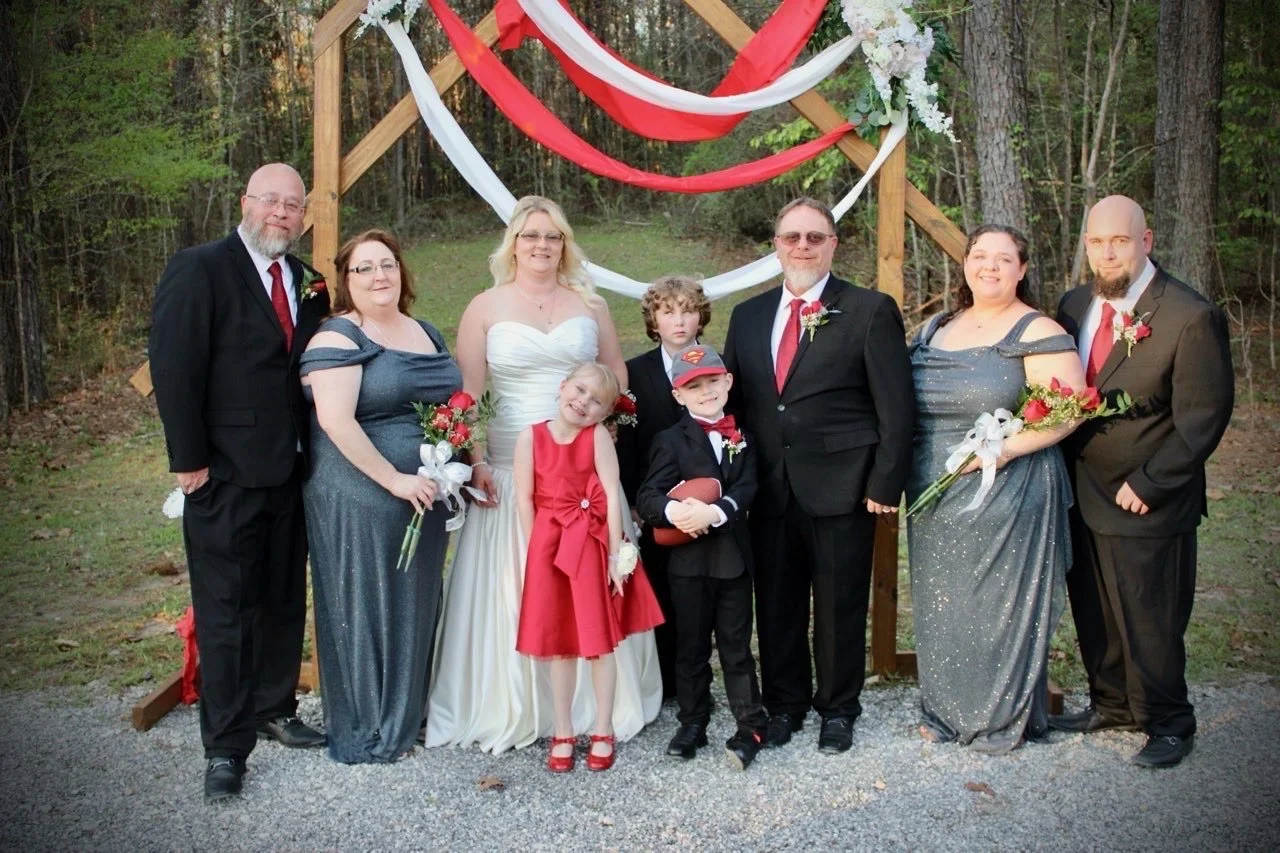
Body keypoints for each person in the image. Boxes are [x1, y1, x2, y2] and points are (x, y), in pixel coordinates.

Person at [425, 196, 662, 752]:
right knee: (520, 586)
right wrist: (477, 462)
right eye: (531, 235)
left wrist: (601, 445)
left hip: (583, 472)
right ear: (513, 243)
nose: (541, 245)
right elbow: (470, 394)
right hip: (511, 470)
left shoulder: (591, 305)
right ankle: (516, 705)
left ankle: (598, 710)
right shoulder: (485, 306)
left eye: (552, 236)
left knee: (590, 582)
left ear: (564, 244)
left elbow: (616, 379)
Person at [149, 163, 329, 801]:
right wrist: (188, 460)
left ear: (303, 215)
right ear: (246, 203)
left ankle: (275, 707)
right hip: (221, 471)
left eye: (292, 205)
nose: (281, 213)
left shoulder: (309, 282)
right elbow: (174, 367)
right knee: (226, 611)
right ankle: (226, 748)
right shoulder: (200, 268)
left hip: (291, 470)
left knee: (282, 598)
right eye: (270, 201)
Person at [722, 197, 914, 754]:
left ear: (833, 244)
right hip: (769, 488)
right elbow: (738, 404)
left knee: (838, 603)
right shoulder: (748, 315)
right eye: (791, 237)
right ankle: (785, 706)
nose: (802, 246)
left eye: (814, 237)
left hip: (844, 485)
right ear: (776, 245)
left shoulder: (870, 310)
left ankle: (837, 708)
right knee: (777, 603)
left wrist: (884, 482)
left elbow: (895, 409)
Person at [1053, 195, 1234, 768]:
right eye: (1097, 242)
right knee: (1096, 609)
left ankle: (1169, 720)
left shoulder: (1187, 315)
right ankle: (1111, 703)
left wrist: (1154, 483)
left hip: (1146, 497)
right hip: (1080, 491)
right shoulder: (1075, 303)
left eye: (1120, 241)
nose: (1107, 254)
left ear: (1146, 241)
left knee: (1150, 616)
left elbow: (1204, 417)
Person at [906, 225, 1085, 752]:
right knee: (944, 604)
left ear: (1022, 269)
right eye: (980, 255)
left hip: (1006, 487)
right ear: (965, 263)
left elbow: (1068, 409)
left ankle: (996, 716)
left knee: (997, 605)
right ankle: (946, 709)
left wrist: (998, 451)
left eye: (1003, 259)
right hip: (933, 491)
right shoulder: (936, 326)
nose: (990, 266)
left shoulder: (1035, 328)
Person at [299, 229, 462, 763]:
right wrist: (393, 480)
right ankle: (371, 721)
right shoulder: (338, 337)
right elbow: (335, 421)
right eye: (364, 268)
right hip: (360, 489)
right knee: (369, 598)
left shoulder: (425, 330)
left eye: (387, 264)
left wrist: (469, 463)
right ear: (346, 281)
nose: (379, 276)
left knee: (415, 595)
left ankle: (408, 712)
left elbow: (451, 408)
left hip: (426, 490)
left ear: (402, 271)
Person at [514, 362, 666, 772]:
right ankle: (562, 729)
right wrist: (534, 553)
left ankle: (603, 726)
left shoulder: (596, 437)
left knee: (599, 642)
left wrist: (616, 555)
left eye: (595, 401)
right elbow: (525, 499)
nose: (582, 402)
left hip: (592, 543)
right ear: (562, 386)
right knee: (560, 642)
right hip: (549, 545)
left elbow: (613, 495)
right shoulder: (530, 437)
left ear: (604, 414)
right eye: (579, 391)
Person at [637, 344, 769, 771]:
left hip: (733, 560)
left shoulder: (743, 436)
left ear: (728, 382)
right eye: (694, 386)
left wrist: (714, 511)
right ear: (679, 395)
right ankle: (693, 720)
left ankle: (750, 723)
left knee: (735, 647)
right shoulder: (669, 440)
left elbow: (748, 486)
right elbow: (649, 495)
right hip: (688, 565)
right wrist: (678, 512)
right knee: (690, 647)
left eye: (713, 381)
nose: (706, 391)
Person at [617, 275, 712, 699]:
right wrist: (637, 500)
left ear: (701, 316)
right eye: (668, 311)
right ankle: (664, 683)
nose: (679, 320)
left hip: (707, 502)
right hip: (652, 502)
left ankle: (699, 679)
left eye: (688, 309)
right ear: (653, 320)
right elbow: (625, 443)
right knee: (657, 586)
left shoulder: (717, 367)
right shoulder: (634, 373)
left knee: (701, 591)